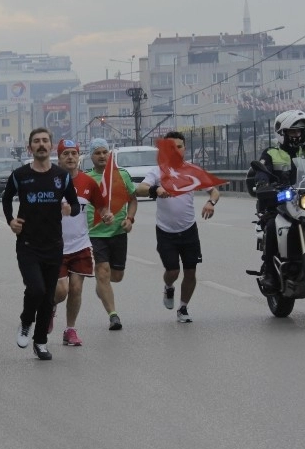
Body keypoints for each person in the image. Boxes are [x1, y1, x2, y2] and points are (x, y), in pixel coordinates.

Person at [2, 128, 81, 361]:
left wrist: (69, 209)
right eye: (36, 141)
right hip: (27, 243)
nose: (41, 145)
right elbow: (6, 198)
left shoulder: (62, 176)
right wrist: (10, 220)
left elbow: (75, 205)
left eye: (45, 141)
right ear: (30, 148)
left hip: (54, 244)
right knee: (35, 288)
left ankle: (41, 342)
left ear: (50, 145)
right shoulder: (20, 175)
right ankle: (26, 321)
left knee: (48, 297)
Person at [136, 132, 219, 323]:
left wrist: (210, 203)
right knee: (173, 271)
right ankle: (168, 286)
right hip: (166, 231)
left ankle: (183, 308)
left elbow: (214, 190)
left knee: (190, 271)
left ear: (184, 149)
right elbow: (139, 188)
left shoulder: (192, 170)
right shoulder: (157, 172)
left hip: (189, 229)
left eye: (179, 147)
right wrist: (155, 189)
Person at [250, 109, 305, 293]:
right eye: (292, 132)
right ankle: (270, 274)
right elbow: (262, 171)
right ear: (282, 134)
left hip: (304, 201)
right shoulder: (271, 153)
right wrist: (263, 183)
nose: (296, 135)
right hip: (279, 201)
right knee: (272, 225)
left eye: (299, 131)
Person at [52, 140, 111, 346]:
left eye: (74, 153)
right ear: (59, 157)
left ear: (79, 157)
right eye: (66, 153)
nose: (70, 157)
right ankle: (50, 308)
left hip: (80, 245)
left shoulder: (88, 183)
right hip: (55, 246)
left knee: (76, 289)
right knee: (61, 291)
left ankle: (70, 329)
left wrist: (106, 215)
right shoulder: (50, 181)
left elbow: (101, 207)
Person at [86, 138, 138, 331]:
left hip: (118, 232)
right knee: (102, 271)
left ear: (109, 154)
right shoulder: (87, 179)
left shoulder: (122, 175)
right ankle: (113, 315)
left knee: (116, 276)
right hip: (95, 233)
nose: (101, 156)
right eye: (97, 153)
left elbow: (133, 200)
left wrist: (130, 219)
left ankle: (102, 286)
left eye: (104, 152)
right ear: (91, 156)